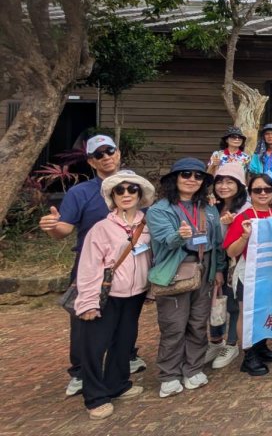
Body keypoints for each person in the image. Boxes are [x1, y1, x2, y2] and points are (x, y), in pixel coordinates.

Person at [38, 134, 145, 397]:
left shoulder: (134, 186)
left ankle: (120, 371)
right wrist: (52, 227)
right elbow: (64, 229)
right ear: (91, 161)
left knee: (125, 326)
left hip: (129, 274)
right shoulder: (81, 192)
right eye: (99, 154)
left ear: (118, 153)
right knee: (87, 324)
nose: (106, 157)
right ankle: (81, 373)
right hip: (92, 267)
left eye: (110, 151)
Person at [147, 158, 231, 398]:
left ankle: (192, 368)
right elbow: (165, 240)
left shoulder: (209, 208)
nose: (192, 180)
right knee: (173, 326)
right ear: (174, 178)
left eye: (198, 176)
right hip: (175, 272)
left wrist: (218, 270)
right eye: (185, 174)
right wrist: (179, 235)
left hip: (205, 271)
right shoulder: (159, 210)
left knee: (197, 323)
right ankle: (169, 374)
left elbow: (216, 243)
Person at [74, 170, 155, 419]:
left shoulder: (147, 225)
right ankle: (95, 396)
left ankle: (117, 384)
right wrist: (88, 302)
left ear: (140, 194)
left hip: (135, 294)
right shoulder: (101, 228)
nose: (126, 194)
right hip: (107, 294)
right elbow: (89, 267)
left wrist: (150, 289)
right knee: (95, 346)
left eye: (132, 189)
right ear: (112, 196)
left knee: (124, 341)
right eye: (120, 190)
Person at [223, 174, 272, 376]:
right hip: (248, 272)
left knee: (264, 310)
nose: (263, 193)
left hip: (269, 273)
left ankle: (260, 345)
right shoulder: (243, 217)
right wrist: (244, 237)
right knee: (246, 312)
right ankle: (248, 355)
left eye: (267, 189)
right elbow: (231, 251)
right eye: (257, 190)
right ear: (250, 193)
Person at [205, 162, 247, 371]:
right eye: (220, 182)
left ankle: (231, 344)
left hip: (235, 262)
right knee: (215, 301)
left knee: (233, 303)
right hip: (213, 260)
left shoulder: (245, 208)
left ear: (239, 185)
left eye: (230, 182)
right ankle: (216, 341)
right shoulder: (212, 207)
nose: (224, 186)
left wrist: (232, 226)